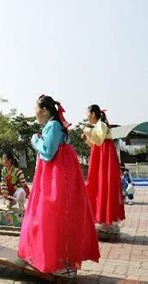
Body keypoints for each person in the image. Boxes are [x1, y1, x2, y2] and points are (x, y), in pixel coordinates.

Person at [18, 95, 100, 275]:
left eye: (36, 112)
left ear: (45, 110)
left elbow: (48, 151)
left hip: (56, 175)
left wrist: (35, 140)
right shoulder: (55, 125)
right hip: (57, 173)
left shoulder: (53, 125)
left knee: (51, 214)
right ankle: (59, 259)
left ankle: (58, 261)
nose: (36, 116)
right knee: (52, 214)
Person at [83, 105, 125, 236]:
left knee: (104, 186)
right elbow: (95, 144)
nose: (87, 117)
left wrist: (87, 131)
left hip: (105, 159)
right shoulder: (98, 126)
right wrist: (87, 140)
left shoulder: (101, 125)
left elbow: (100, 140)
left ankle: (108, 223)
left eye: (88, 114)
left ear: (93, 114)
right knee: (98, 186)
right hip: (100, 157)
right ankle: (104, 221)